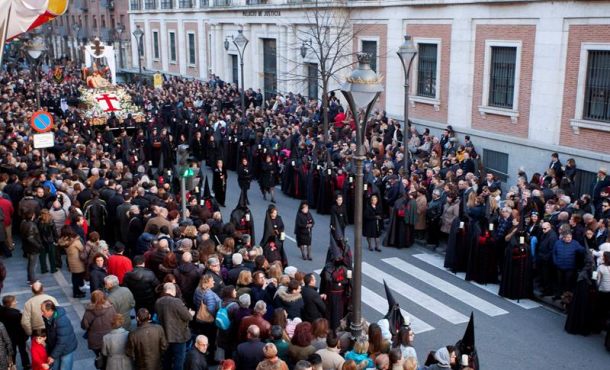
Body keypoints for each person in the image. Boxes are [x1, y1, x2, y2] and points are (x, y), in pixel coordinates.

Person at [155, 283, 193, 370]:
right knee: (179, 361)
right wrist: (190, 313)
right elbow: (188, 317)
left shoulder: (158, 302)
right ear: (173, 291)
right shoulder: (176, 302)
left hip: (165, 335)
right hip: (178, 336)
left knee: (167, 360)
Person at [41, 300, 78, 370]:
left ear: (50, 310)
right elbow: (50, 332)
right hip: (56, 348)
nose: (41, 313)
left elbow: (62, 342)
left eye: (43, 311)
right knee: (55, 367)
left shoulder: (61, 321)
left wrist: (52, 356)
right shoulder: (48, 317)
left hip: (66, 349)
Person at [81, 290, 116, 361]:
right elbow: (115, 320)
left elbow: (84, 326)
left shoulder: (88, 311)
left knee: (100, 357)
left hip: (95, 340)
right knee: (109, 356)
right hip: (109, 337)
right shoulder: (111, 308)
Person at [0, 295, 29, 369]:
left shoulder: (2, 312)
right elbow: (23, 326)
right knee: (23, 351)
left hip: (9, 337)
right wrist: (26, 335)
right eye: (15, 301)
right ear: (11, 303)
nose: (16, 302)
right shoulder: (17, 315)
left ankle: (13, 365)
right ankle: (26, 364)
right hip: (19, 337)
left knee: (12, 352)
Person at [58, 226, 86, 298]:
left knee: (74, 276)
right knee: (77, 277)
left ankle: (77, 291)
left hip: (70, 261)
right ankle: (76, 292)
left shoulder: (63, 240)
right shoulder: (75, 242)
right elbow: (82, 248)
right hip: (78, 262)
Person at [21, 210, 43, 284]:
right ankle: (33, 280)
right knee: (33, 265)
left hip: (27, 247)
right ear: (32, 216)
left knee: (30, 264)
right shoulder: (31, 225)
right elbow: (30, 238)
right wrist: (39, 245)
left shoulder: (23, 223)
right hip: (33, 248)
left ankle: (29, 278)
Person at [38, 209, 58, 274]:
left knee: (42, 256)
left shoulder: (38, 221)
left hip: (41, 241)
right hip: (50, 241)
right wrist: (56, 240)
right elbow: (54, 232)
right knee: (52, 256)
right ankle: (53, 269)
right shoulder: (51, 221)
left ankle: (43, 269)